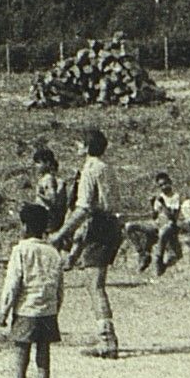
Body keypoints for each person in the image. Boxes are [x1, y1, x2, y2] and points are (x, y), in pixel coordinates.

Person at [50, 128, 122, 359]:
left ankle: (107, 341)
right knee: (94, 284)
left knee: (95, 285)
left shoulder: (90, 170)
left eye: (79, 143)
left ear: (87, 146)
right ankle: (106, 338)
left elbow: (84, 208)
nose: (76, 147)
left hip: (99, 225)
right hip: (111, 224)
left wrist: (61, 233)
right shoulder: (107, 167)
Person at [0, 203, 67, 378]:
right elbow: (59, 288)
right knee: (43, 358)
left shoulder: (21, 251)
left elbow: (13, 285)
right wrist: (55, 308)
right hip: (47, 312)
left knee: (20, 359)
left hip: (26, 310)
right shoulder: (53, 252)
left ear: (25, 226)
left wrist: (4, 311)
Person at [124, 172, 183, 277]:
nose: (164, 187)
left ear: (170, 182)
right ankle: (142, 253)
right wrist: (152, 204)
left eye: (165, 184)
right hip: (157, 223)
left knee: (163, 232)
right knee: (129, 226)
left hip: (169, 225)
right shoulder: (160, 197)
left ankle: (158, 260)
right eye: (161, 185)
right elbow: (154, 216)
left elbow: (173, 217)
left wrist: (163, 203)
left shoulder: (175, 197)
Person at [31, 145, 68, 234]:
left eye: (39, 163)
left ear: (47, 163)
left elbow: (52, 200)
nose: (36, 166)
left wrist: (39, 195)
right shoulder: (44, 178)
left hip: (48, 217)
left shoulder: (48, 179)